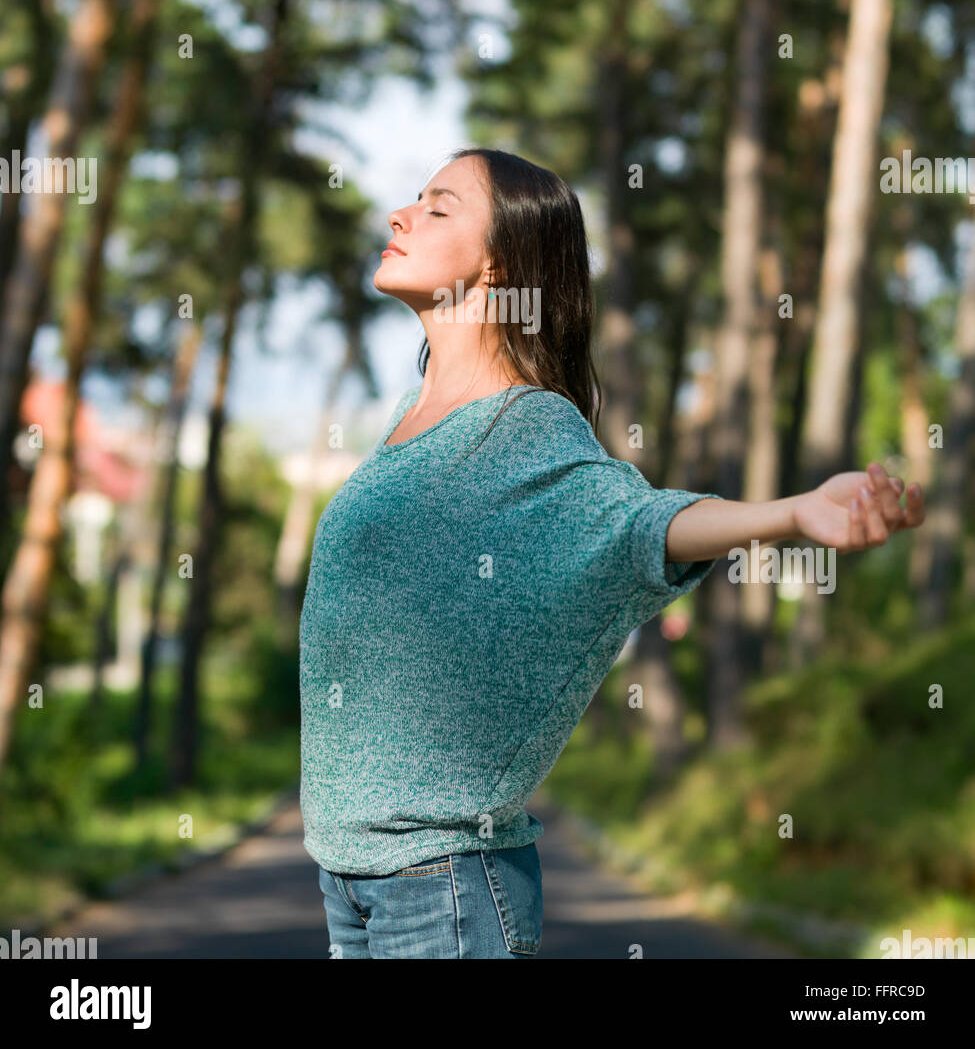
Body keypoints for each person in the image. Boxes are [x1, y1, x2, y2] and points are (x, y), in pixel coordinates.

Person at [299, 147, 925, 959]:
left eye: (439, 207)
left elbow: (636, 525)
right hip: (351, 880)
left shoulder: (523, 425)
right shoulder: (406, 420)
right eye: (413, 198)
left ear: (499, 264)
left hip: (438, 890)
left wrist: (794, 514)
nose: (400, 215)